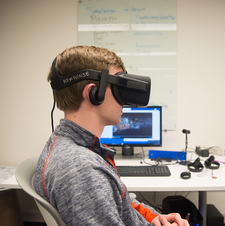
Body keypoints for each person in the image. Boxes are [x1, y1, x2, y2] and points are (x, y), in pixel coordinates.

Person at [35, 46, 190, 226]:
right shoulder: (82, 169)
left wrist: (154, 218)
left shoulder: (76, 147)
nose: (125, 100)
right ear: (94, 93)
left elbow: (121, 201)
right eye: (118, 88)